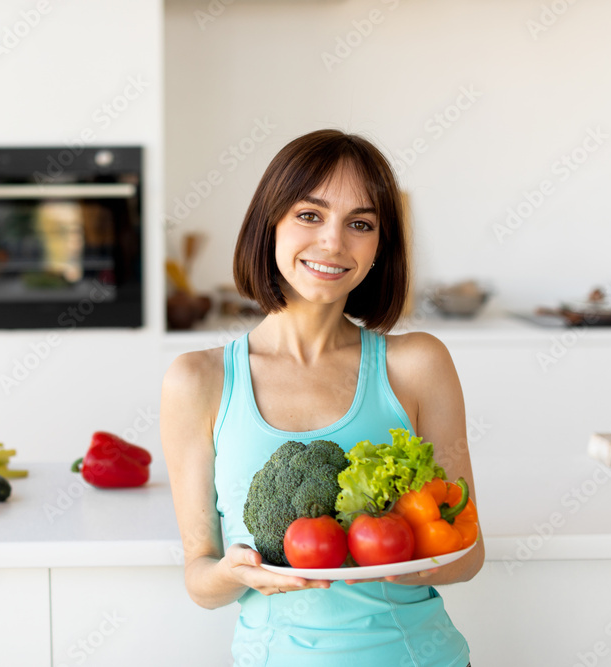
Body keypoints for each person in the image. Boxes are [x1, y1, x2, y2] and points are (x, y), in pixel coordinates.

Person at [160, 129, 484, 666]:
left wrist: (406, 559)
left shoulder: (419, 365)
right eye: (309, 215)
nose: (334, 242)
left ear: (381, 248)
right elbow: (200, 577)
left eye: (360, 224)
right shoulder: (198, 381)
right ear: (271, 225)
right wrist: (231, 573)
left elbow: (470, 555)